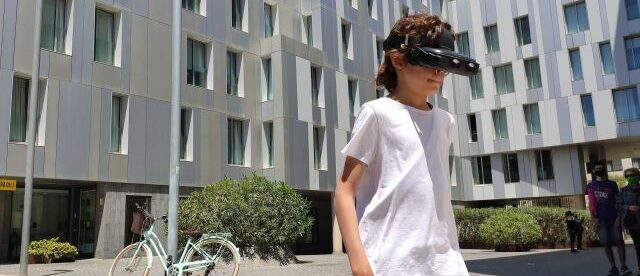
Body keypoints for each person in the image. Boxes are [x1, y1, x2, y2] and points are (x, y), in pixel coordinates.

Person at [334, 12, 477, 276]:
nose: (438, 73)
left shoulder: (446, 121)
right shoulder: (377, 113)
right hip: (389, 263)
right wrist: (359, 264)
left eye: (444, 66)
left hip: (445, 263)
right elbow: (344, 191)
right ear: (398, 60)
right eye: (430, 61)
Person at [588, 162, 631, 276]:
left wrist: (619, 216)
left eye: (601, 168)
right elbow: (591, 203)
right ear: (593, 171)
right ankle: (613, 267)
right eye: (597, 169)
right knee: (605, 243)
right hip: (600, 219)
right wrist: (593, 217)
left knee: (619, 241)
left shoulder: (612, 184)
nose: (599, 170)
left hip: (614, 218)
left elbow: (618, 201)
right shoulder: (591, 185)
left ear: (605, 170)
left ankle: (623, 266)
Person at [616, 167, 640, 275]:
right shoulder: (623, 190)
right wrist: (629, 207)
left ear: (638, 176)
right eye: (628, 175)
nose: (631, 177)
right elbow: (618, 205)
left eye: (633, 174)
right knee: (639, 248)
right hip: (633, 224)